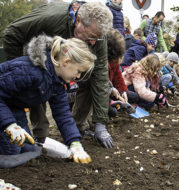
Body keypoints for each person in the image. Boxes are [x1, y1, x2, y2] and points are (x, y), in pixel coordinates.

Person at [3, 2, 114, 149]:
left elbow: (100, 75)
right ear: (79, 20)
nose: (94, 42)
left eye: (98, 38)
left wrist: (100, 122)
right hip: (34, 63)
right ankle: (40, 134)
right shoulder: (50, 18)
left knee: (87, 78)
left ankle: (75, 128)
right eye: (91, 36)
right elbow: (12, 33)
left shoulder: (97, 34)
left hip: (60, 69)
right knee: (38, 85)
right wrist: (20, 68)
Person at [0, 35, 94, 165]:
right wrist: (9, 124)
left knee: (27, 148)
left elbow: (62, 113)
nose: (78, 76)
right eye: (78, 71)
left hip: (13, 107)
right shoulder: (29, 71)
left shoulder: (58, 82)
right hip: (3, 106)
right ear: (66, 62)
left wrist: (75, 143)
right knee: (11, 152)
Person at [106, 28, 138, 116]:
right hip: (103, 93)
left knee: (134, 96)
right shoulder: (103, 60)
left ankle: (118, 103)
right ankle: (114, 104)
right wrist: (112, 90)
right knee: (113, 112)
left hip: (113, 90)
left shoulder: (114, 58)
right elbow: (102, 84)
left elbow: (118, 76)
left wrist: (122, 91)